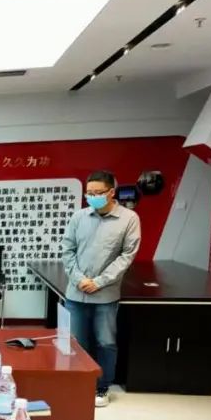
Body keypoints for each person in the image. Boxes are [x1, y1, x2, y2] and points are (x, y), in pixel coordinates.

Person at [60, 170, 141, 407]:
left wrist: (99, 281)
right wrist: (79, 279)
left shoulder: (129, 219)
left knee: (106, 342)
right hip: (76, 293)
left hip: (105, 294)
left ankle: (102, 387)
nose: (92, 197)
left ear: (111, 192)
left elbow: (127, 256)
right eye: (89, 193)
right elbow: (67, 250)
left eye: (97, 193)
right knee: (76, 342)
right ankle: (78, 383)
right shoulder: (79, 217)